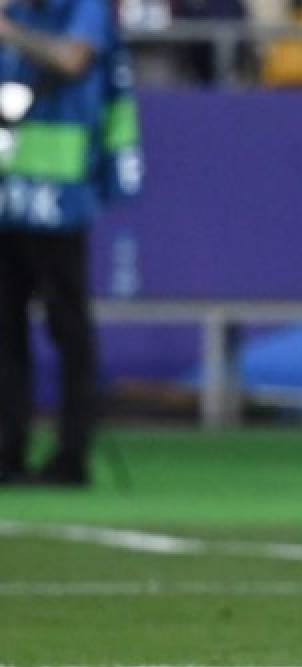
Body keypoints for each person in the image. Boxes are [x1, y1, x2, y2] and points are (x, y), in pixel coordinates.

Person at [0, 0, 142, 486]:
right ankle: (7, 451)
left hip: (60, 194)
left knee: (68, 328)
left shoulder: (84, 8)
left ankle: (71, 454)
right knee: (6, 329)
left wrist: (10, 32)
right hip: (8, 191)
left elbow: (73, 59)